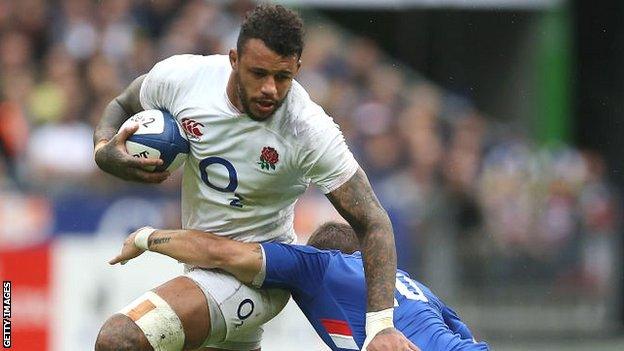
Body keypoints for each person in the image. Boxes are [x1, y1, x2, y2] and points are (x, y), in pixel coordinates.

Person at [93, 4, 409, 351]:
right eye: (258, 73)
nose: (270, 89)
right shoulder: (184, 79)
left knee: (119, 339)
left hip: (256, 276)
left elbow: (374, 221)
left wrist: (381, 325)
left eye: (283, 77)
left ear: (297, 69)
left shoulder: (307, 130)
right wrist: (104, 148)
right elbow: (124, 103)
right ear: (233, 59)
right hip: (199, 266)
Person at [110, 222, 489, 351]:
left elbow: (219, 251)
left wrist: (146, 238)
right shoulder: (412, 284)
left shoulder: (321, 266)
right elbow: (463, 334)